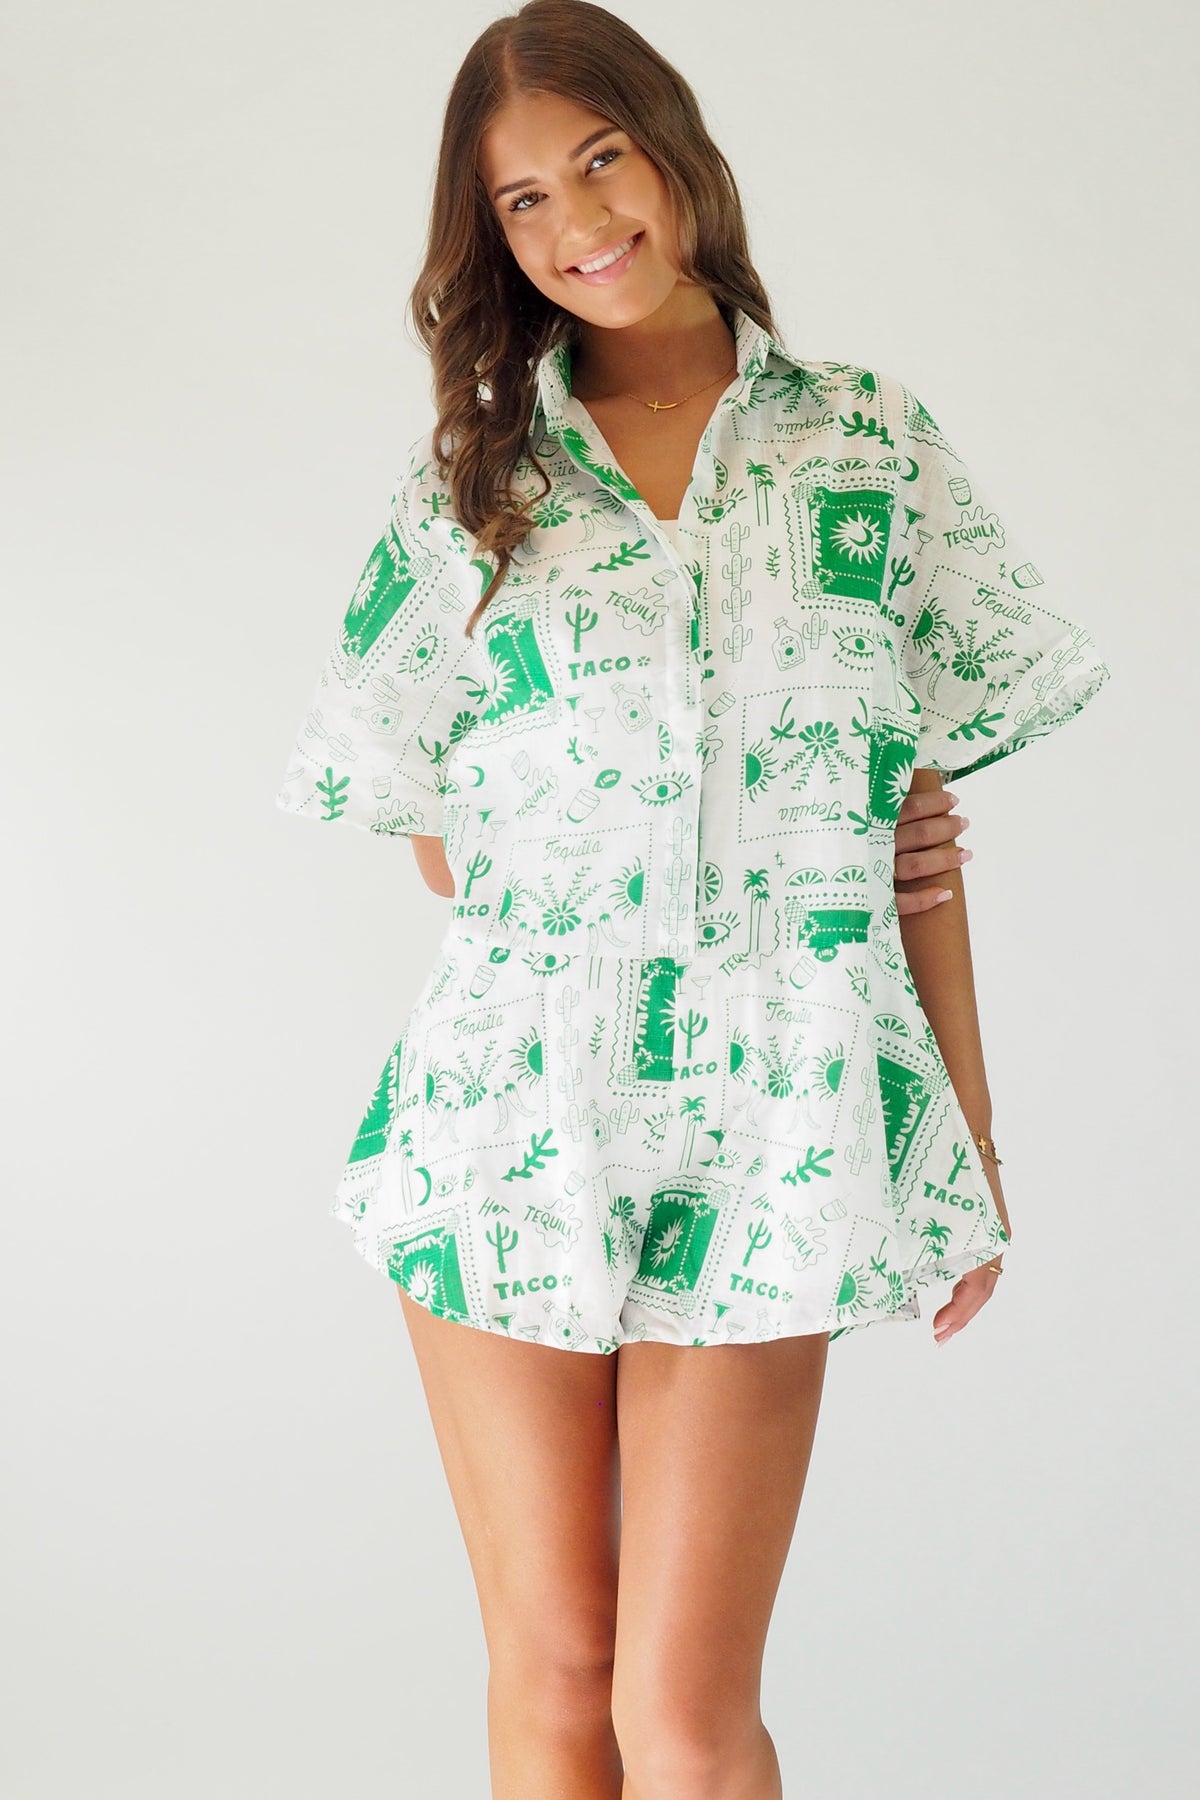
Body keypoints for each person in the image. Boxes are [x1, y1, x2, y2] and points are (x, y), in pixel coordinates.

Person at [273, 4, 1110, 1793]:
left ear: (674, 153)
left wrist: (964, 1128)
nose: (579, 221)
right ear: (491, 236)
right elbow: (422, 815)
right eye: (523, 200)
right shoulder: (474, 478)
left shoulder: (868, 441)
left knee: (686, 1713)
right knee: (558, 1672)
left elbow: (915, 825)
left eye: (601, 161)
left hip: (778, 1113)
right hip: (511, 1109)